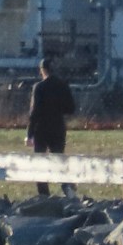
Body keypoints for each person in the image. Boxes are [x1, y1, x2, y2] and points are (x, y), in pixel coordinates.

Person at [26, 58, 75, 198]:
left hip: (41, 129)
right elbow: (71, 108)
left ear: (42, 70)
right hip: (58, 127)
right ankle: (67, 188)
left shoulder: (39, 87)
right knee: (59, 159)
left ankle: (44, 195)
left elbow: (34, 112)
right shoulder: (63, 86)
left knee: (39, 162)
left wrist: (29, 134)